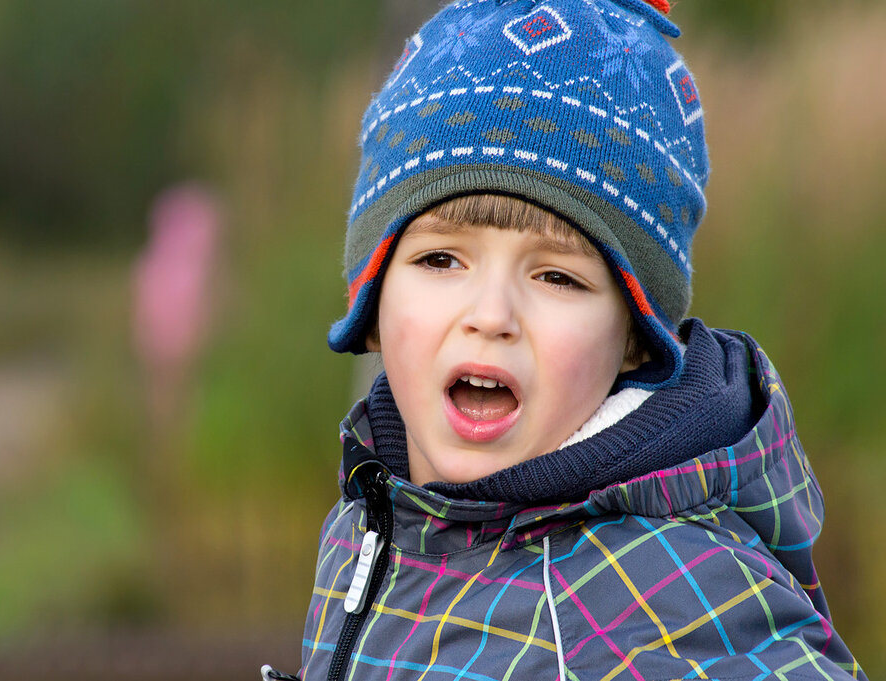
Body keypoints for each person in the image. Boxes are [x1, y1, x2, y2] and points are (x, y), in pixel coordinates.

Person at [263, 0, 867, 679]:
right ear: (372, 300)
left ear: (636, 339)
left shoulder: (658, 597)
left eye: (556, 276)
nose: (491, 314)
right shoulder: (371, 522)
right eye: (441, 260)